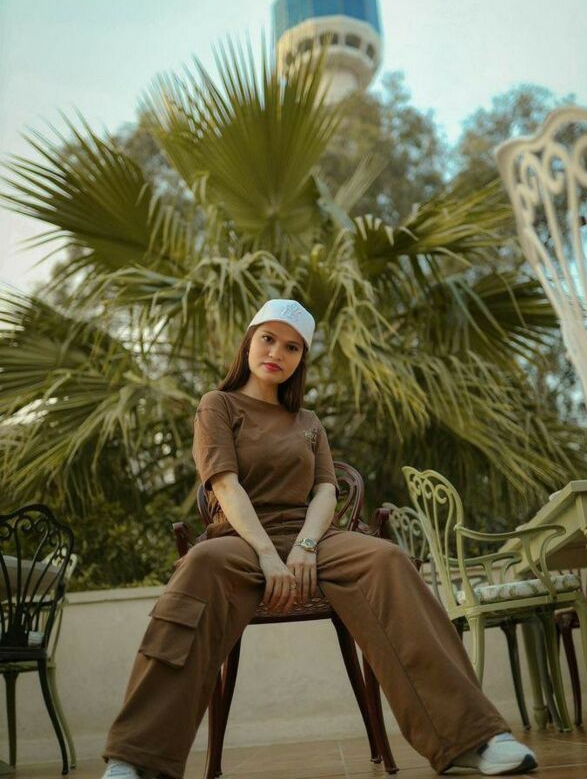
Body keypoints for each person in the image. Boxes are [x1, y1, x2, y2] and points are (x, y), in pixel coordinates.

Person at [102, 299, 537, 778]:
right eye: (268, 339)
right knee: (199, 567)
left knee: (389, 561)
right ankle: (137, 759)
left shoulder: (308, 422)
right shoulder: (218, 405)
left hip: (313, 538)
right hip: (240, 538)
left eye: (292, 347)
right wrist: (267, 555)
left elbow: (326, 490)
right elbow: (224, 485)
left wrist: (306, 546)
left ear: (300, 359)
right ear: (249, 342)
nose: (277, 353)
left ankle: (469, 739)